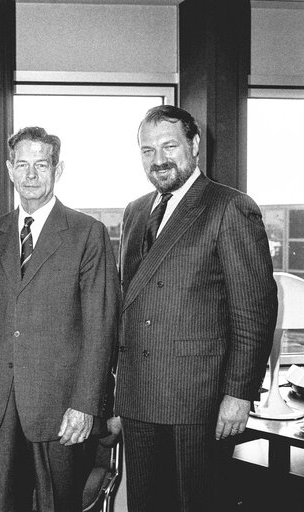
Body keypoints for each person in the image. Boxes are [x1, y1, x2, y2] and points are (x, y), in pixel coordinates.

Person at [114, 105, 278, 511]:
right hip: (138, 397)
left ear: (194, 145)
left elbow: (254, 312)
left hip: (197, 400)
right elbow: (126, 303)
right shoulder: (135, 212)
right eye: (147, 150)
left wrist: (239, 394)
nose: (159, 159)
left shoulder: (229, 207)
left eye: (169, 146)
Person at [0, 126, 120, 512]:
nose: (31, 175)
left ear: (58, 169)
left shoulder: (88, 233)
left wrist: (85, 404)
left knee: (57, 505)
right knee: (2, 503)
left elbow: (101, 325)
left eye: (41, 164)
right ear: (9, 169)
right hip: (1, 401)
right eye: (22, 164)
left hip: (61, 406)